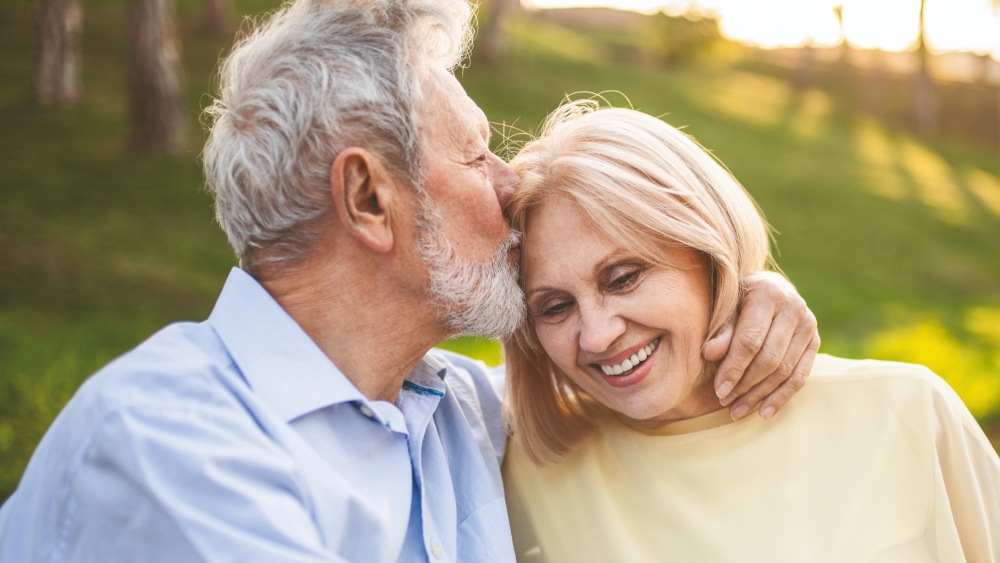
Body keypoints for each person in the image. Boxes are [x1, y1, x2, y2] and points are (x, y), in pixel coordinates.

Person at [0, 2, 820, 562]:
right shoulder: (173, 445)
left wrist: (745, 296)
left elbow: (631, 375)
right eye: (473, 153)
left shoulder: (456, 406)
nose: (510, 185)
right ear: (368, 198)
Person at [501, 102, 1000, 563]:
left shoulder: (904, 411)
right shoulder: (515, 467)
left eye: (624, 278)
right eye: (556, 307)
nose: (596, 335)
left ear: (706, 252)